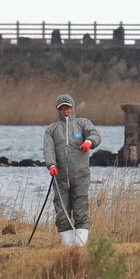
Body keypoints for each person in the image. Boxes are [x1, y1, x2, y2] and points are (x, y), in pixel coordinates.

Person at [43, 94, 101, 246]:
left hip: (81, 176)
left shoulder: (83, 123)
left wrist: (89, 141)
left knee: (81, 211)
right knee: (62, 213)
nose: (65, 111)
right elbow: (48, 149)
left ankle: (80, 247)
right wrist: (52, 165)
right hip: (60, 178)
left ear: (72, 108)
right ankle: (68, 248)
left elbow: (95, 134)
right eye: (62, 108)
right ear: (58, 110)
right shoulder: (51, 129)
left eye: (67, 107)